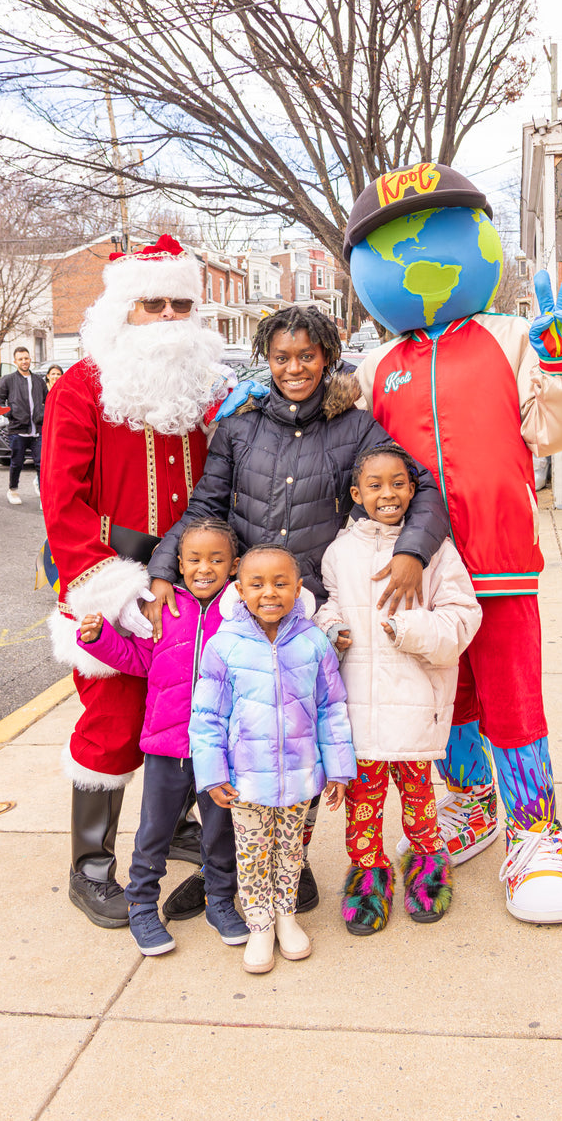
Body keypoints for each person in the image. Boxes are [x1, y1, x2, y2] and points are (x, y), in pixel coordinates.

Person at [345, 161, 562, 924]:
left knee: (514, 696)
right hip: (418, 566)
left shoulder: (510, 336)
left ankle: (535, 830)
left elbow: (558, 430)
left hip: (500, 555)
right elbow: (345, 448)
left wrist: (560, 361)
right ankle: (474, 802)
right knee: (448, 699)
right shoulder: (378, 362)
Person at [145, 304, 449, 918]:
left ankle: (290, 861)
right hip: (247, 603)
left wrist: (414, 551)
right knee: (239, 734)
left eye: (306, 355)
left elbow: (423, 489)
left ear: (328, 356)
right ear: (267, 358)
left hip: (309, 606)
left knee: (296, 733)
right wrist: (160, 568)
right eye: (281, 357)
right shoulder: (240, 429)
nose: (294, 368)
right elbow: (206, 506)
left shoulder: (358, 428)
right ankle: (227, 871)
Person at [41, 234, 230, 929]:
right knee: (114, 722)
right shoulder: (81, 388)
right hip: (111, 585)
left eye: (181, 303)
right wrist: (118, 590)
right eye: (154, 304)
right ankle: (90, 866)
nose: (170, 316)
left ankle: (177, 820)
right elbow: (62, 500)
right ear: (125, 310)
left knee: (185, 713)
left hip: (190, 586)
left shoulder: (201, 393)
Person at [315, 443, 481, 935]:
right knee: (362, 808)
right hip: (359, 713)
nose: (387, 493)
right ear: (356, 493)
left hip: (413, 704)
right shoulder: (339, 552)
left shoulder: (435, 549)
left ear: (413, 489)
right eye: (375, 485)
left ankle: (428, 869)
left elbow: (462, 616)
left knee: (418, 801)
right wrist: (332, 628)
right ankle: (368, 879)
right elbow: (329, 603)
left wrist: (411, 629)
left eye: (398, 483)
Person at [75, 519, 249, 954]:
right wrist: (99, 639)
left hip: (222, 752)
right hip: (166, 746)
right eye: (193, 560)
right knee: (154, 832)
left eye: (216, 559)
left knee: (220, 831)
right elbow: (136, 660)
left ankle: (221, 902)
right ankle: (142, 907)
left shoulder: (240, 614)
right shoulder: (164, 609)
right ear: (179, 564)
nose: (204, 568)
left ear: (233, 566)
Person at [190, 544, 356, 974]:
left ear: (298, 589)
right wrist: (212, 774)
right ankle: (260, 923)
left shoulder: (313, 641)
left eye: (281, 583)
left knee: (290, 852)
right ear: (239, 590)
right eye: (257, 584)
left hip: (301, 778)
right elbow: (207, 716)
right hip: (246, 782)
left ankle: (286, 916)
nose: (269, 593)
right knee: (252, 854)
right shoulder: (224, 645)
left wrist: (338, 769)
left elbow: (331, 707)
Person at [0, 345, 47, 505]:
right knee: (16, 463)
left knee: (42, 464)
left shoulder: (38, 380)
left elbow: (48, 400)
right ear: (15, 361)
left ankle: (45, 497)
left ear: (30, 359)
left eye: (26, 358)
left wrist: (43, 416)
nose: (24, 361)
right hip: (17, 430)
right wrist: (12, 415)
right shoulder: (8, 380)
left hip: (37, 430)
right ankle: (13, 490)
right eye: (21, 359)